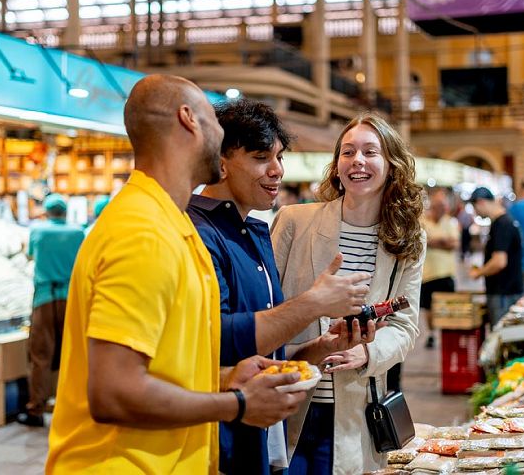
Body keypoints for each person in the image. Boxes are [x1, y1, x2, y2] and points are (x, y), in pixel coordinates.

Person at [46, 75, 307, 474]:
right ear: (189, 120)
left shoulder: (173, 225)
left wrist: (223, 377)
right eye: (215, 122)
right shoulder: (142, 231)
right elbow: (113, 393)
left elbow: (162, 365)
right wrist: (238, 405)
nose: (220, 136)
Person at [187, 99, 377, 473]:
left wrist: (320, 348)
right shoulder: (198, 233)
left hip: (262, 438)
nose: (277, 171)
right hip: (213, 442)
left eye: (279, 157)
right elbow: (212, 340)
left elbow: (265, 356)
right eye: (261, 157)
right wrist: (313, 303)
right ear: (220, 161)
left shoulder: (255, 232)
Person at [271, 113, 425, 474]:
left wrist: (367, 351)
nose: (358, 161)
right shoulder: (295, 221)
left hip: (355, 409)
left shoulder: (406, 239)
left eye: (370, 152)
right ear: (337, 165)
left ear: (391, 165)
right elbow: (267, 306)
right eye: (348, 152)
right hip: (288, 396)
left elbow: (405, 326)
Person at [17, 193, 84, 427]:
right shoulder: (78, 232)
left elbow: (30, 256)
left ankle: (36, 409)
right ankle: (74, 409)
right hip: (72, 299)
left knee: (40, 355)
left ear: (47, 211)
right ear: (65, 211)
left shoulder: (39, 231)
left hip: (45, 298)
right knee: (74, 353)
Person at [468, 187, 523, 327]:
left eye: (475, 207)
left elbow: (499, 262)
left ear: (481, 202)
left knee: (500, 336)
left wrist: (478, 273)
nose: (475, 212)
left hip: (503, 293)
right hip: (506, 291)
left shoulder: (502, 224)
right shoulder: (505, 221)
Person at [420, 188, 459, 349]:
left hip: (446, 273)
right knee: (429, 308)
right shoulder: (423, 221)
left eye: (443, 205)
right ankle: (431, 333)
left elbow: (454, 244)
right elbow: (420, 241)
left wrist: (432, 240)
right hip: (427, 274)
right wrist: (442, 241)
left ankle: (447, 335)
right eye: (437, 205)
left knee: (446, 307)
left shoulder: (450, 222)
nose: (440, 208)